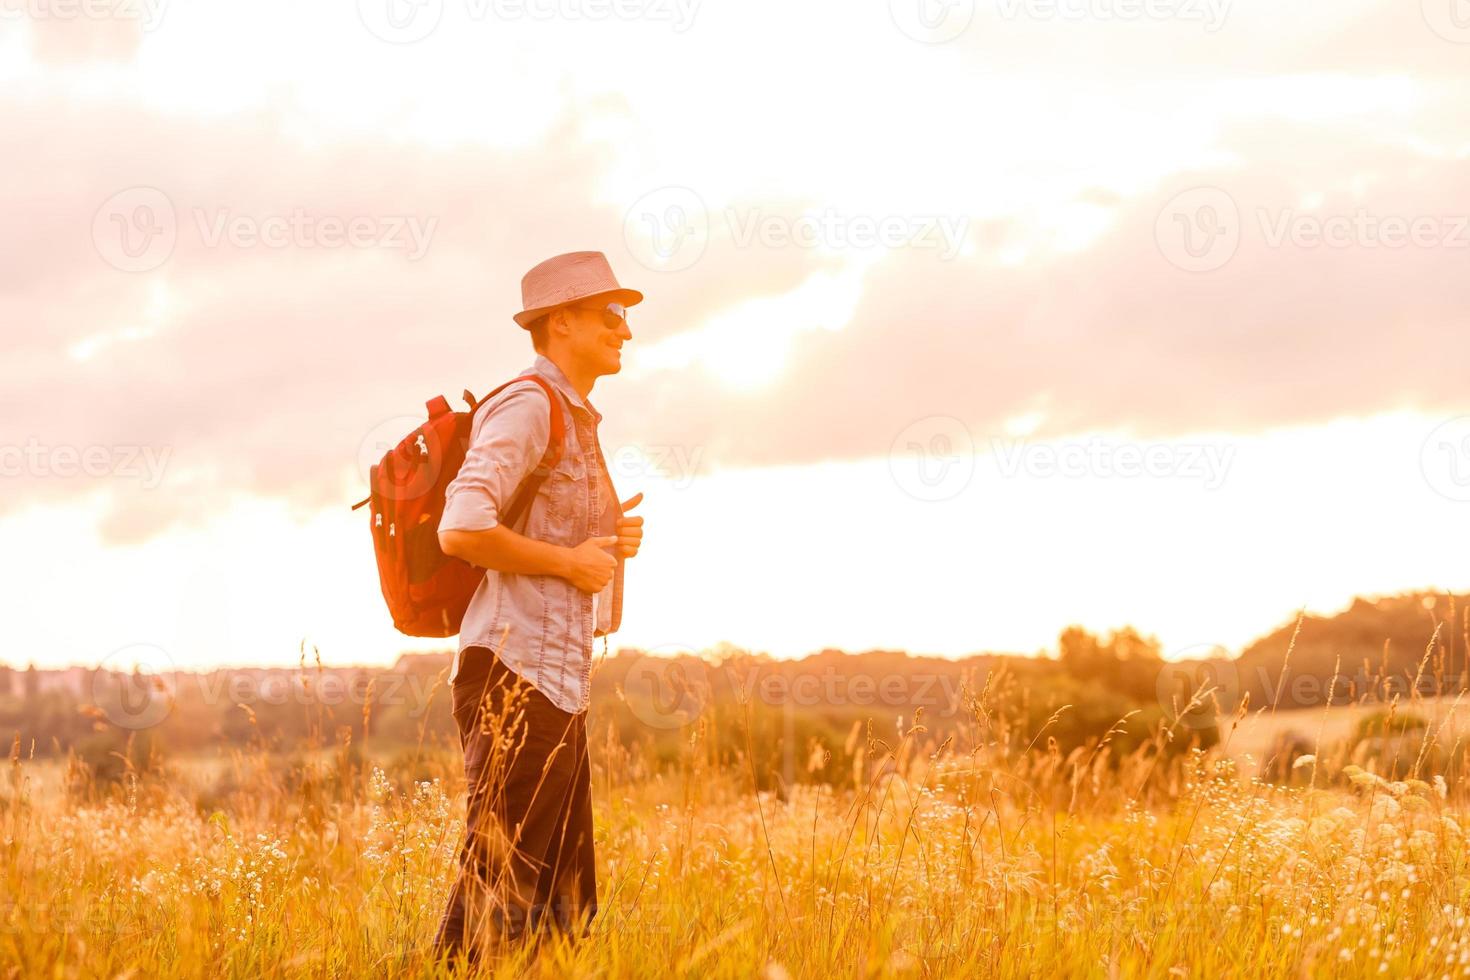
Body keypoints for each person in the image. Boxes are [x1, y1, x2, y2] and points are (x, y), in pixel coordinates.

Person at [431, 250, 645, 964]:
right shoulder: (529, 404)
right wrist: (569, 559)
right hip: (513, 674)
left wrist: (604, 543)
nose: (626, 331)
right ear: (562, 323)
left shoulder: (576, 416)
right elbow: (461, 526)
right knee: (497, 898)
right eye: (611, 316)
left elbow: (548, 536)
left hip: (558, 682)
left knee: (561, 905)